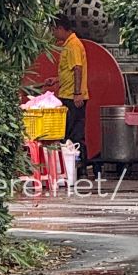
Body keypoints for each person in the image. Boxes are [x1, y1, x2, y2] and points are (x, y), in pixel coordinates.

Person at [52, 13, 90, 177]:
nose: (53, 33)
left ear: (61, 28)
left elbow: (77, 69)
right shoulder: (67, 44)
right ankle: (74, 168)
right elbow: (70, 71)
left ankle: (80, 167)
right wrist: (56, 79)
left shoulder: (73, 45)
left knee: (74, 133)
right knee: (71, 132)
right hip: (67, 93)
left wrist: (77, 93)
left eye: (54, 29)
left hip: (72, 96)